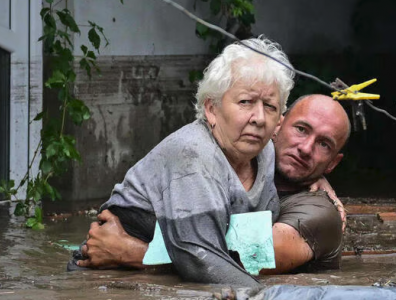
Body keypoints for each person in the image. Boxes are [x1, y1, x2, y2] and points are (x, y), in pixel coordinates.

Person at [71, 37, 295, 286]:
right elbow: (201, 259)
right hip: (109, 282)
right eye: (245, 102)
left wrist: (320, 180)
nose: (259, 118)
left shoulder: (265, 153)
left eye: (270, 106)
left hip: (155, 271)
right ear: (211, 108)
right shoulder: (193, 153)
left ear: (279, 121)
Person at [75, 94, 350, 275]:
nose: (305, 148)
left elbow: (245, 260)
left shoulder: (320, 213)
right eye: (301, 129)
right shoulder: (229, 163)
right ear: (276, 126)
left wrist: (131, 253)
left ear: (333, 163)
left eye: (323, 145)